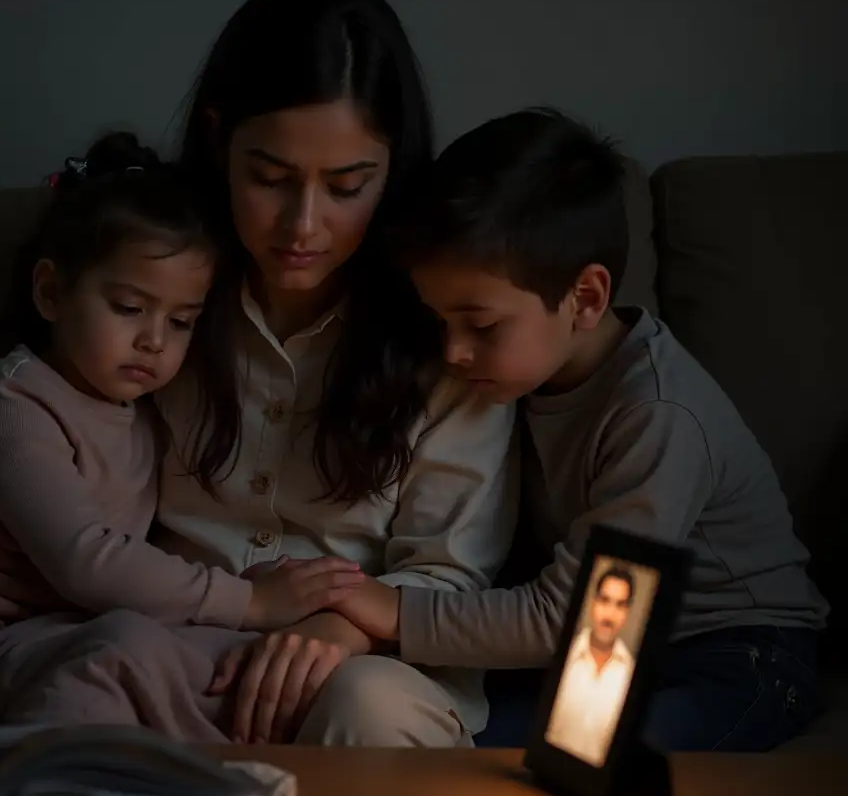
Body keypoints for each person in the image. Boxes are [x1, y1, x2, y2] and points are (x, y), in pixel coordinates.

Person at [0, 0, 514, 746]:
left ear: (392, 170)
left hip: (351, 658)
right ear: (218, 141)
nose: (303, 225)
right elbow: (12, 445)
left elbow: (451, 573)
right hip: (150, 642)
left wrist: (341, 633)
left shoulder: (448, 328)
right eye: (270, 179)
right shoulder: (152, 289)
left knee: (368, 709)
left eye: (347, 186)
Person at [331, 107, 828, 751]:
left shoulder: (657, 413)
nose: (451, 353)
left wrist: (393, 610)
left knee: (579, 763)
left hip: (734, 652)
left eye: (481, 326)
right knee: (447, 725)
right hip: (602, 656)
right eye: (439, 321)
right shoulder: (517, 376)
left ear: (586, 300)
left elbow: (586, 617)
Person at [0, 134, 364, 725]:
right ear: (51, 292)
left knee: (226, 664)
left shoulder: (147, 407)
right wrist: (251, 599)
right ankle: (63, 787)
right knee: (121, 653)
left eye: (181, 321)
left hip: (65, 633)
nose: (154, 340)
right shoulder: (12, 404)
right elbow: (86, 560)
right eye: (128, 307)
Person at [544, 566, 635, 766]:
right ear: (593, 602)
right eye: (604, 600)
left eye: (619, 605)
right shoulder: (563, 659)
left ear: (627, 612)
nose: (609, 615)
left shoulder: (630, 675)